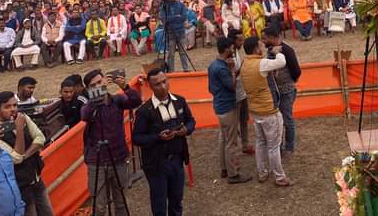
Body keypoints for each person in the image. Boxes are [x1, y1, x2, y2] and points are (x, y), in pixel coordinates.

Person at [132, 68, 196, 216]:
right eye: (157, 84)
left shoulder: (180, 101)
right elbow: (137, 138)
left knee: (176, 202)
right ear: (150, 86)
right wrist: (157, 137)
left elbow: (191, 120)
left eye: (164, 81)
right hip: (156, 164)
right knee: (159, 206)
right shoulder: (144, 111)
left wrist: (186, 129)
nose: (162, 86)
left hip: (177, 160)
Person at [81, 68, 141, 216]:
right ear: (88, 89)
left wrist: (125, 86)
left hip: (119, 157)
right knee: (99, 206)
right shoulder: (89, 106)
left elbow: (136, 101)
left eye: (100, 82)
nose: (99, 86)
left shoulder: (116, 100)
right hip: (97, 161)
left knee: (121, 202)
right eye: (94, 85)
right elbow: (85, 115)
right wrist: (97, 95)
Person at [239, 35, 292, 187]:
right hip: (268, 110)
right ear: (255, 49)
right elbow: (282, 62)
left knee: (261, 142)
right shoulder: (261, 63)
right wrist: (276, 51)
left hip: (255, 110)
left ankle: (262, 173)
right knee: (273, 145)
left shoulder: (245, 63)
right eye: (260, 46)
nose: (262, 47)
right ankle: (279, 177)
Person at [0, 91, 53, 216]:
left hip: (35, 177)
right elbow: (15, 158)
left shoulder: (22, 117)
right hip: (20, 185)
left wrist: (25, 155)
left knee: (48, 212)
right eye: (7, 107)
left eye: (15, 105)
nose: (13, 109)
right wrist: (19, 130)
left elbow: (40, 138)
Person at [207, 37, 252, 184]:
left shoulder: (213, 65)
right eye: (232, 48)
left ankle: (225, 168)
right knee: (231, 142)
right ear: (226, 49)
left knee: (224, 138)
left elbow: (211, 88)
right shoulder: (221, 68)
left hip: (220, 107)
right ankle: (233, 174)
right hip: (227, 107)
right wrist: (232, 71)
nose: (233, 51)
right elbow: (232, 86)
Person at [264, 26, 302, 154]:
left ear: (273, 37)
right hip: (275, 91)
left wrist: (290, 82)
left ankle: (289, 147)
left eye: (266, 38)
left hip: (286, 90)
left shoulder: (287, 50)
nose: (264, 41)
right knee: (276, 121)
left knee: (287, 119)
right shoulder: (269, 50)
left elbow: (296, 70)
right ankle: (278, 146)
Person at [229, 29, 253, 155]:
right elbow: (231, 76)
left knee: (244, 120)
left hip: (242, 92)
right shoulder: (229, 56)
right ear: (233, 41)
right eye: (240, 40)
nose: (242, 42)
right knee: (234, 123)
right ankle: (235, 147)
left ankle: (245, 144)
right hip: (235, 95)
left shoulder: (237, 51)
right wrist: (242, 68)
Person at [159, 0, 189, 72]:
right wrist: (176, 17)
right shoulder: (165, 6)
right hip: (170, 33)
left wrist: (171, 18)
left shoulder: (181, 5)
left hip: (180, 32)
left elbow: (183, 17)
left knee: (183, 52)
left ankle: (186, 69)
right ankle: (171, 71)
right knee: (171, 54)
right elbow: (163, 18)